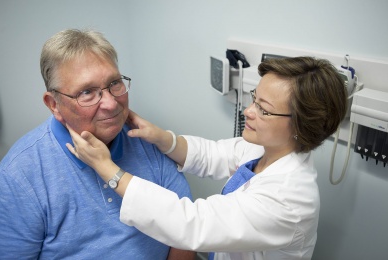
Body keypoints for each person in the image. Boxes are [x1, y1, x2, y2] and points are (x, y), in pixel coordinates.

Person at [67, 56, 348, 260]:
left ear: (301, 125)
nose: (248, 112)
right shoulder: (265, 149)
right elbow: (212, 154)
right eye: (254, 99)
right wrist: (162, 137)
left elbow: (192, 223)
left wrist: (109, 170)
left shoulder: (290, 199)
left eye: (264, 110)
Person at [0, 29, 195, 260]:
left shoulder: (147, 141)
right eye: (87, 92)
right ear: (54, 104)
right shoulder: (19, 175)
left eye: (115, 83)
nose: (111, 104)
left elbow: (185, 232)